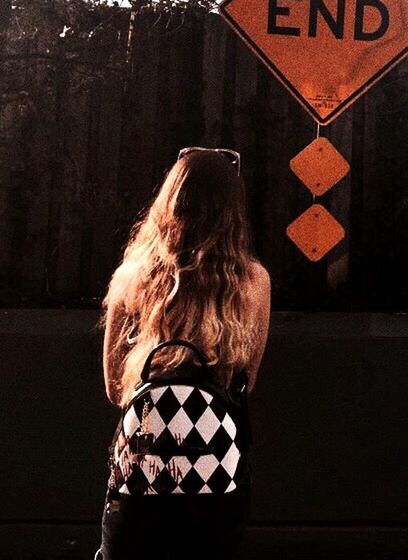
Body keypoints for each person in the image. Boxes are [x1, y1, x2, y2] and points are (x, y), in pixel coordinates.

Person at [96, 146, 271, 560]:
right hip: (213, 464)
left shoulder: (131, 277)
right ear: (233, 210)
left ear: (168, 200)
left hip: (144, 465)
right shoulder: (253, 281)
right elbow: (245, 383)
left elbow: (113, 386)